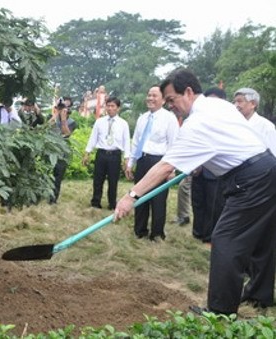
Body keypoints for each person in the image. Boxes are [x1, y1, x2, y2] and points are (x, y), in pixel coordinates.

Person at [114, 68, 276, 316]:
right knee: (263, 239)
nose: (171, 107)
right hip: (266, 168)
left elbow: (165, 165)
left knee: (225, 241)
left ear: (188, 92)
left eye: (171, 100)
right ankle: (259, 295)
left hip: (250, 178)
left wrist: (130, 197)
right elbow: (224, 142)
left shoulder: (197, 123)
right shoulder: (216, 105)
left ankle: (220, 312)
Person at [125, 86, 179, 241]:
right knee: (138, 195)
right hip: (142, 159)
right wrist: (131, 163)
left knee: (158, 199)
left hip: (159, 162)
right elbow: (136, 142)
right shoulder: (143, 118)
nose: (150, 98)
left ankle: (157, 233)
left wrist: (171, 168)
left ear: (163, 100)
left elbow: (174, 144)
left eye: (154, 96)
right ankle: (139, 230)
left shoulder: (169, 118)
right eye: (149, 95)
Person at [191, 87, 227, 243]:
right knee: (198, 202)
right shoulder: (200, 120)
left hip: (215, 173)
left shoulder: (227, 121)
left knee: (213, 205)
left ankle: (209, 236)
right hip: (198, 170)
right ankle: (197, 231)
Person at [82, 97, 130, 210]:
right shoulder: (100, 121)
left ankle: (112, 204)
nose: (110, 108)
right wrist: (87, 152)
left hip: (115, 155)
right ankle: (95, 202)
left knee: (113, 181)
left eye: (113, 106)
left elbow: (127, 142)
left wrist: (127, 158)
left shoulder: (123, 124)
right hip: (101, 154)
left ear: (118, 108)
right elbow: (93, 138)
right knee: (98, 179)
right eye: (108, 106)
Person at [47, 100, 77, 204]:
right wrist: (55, 115)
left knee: (58, 176)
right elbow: (45, 128)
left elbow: (66, 134)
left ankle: (53, 198)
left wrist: (64, 120)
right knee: (47, 174)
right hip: (50, 150)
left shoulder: (72, 122)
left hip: (62, 153)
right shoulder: (52, 118)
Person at [233, 87, 276, 155]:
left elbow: (273, 154)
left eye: (239, 101)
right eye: (234, 102)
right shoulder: (234, 125)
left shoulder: (266, 127)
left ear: (253, 104)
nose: (235, 105)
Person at [174, 109, 191, 226]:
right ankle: (183, 216)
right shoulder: (187, 122)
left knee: (184, 187)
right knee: (183, 186)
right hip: (194, 165)